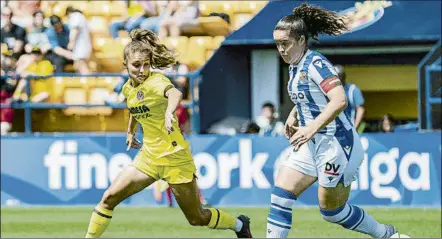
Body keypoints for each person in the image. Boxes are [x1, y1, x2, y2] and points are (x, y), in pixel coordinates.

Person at [84, 28, 252, 238]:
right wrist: (130, 131)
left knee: (196, 218)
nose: (142, 70)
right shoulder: (128, 88)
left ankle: (239, 225)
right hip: (149, 157)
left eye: (146, 64)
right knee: (108, 198)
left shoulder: (156, 82)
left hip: (175, 158)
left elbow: (175, 93)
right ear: (125, 64)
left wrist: (169, 113)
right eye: (137, 65)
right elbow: (135, 107)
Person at [267, 3, 400, 238]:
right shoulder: (295, 67)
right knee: (280, 196)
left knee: (333, 212)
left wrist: (310, 127)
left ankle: (385, 234)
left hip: (336, 144)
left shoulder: (317, 64)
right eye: (277, 44)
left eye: (285, 43)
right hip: (313, 144)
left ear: (301, 40)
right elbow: (309, 97)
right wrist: (294, 114)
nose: (281, 49)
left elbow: (339, 100)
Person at [334, 65, 366, 132]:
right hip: (334, 130)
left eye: (337, 76)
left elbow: (361, 109)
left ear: (342, 77)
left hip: (349, 128)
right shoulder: (330, 91)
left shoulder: (352, 90)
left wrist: (355, 128)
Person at [65, 6, 91, 74]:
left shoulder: (75, 16)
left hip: (80, 47)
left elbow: (76, 30)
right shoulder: (82, 17)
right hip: (84, 46)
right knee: (78, 66)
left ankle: (88, 82)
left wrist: (71, 43)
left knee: (81, 66)